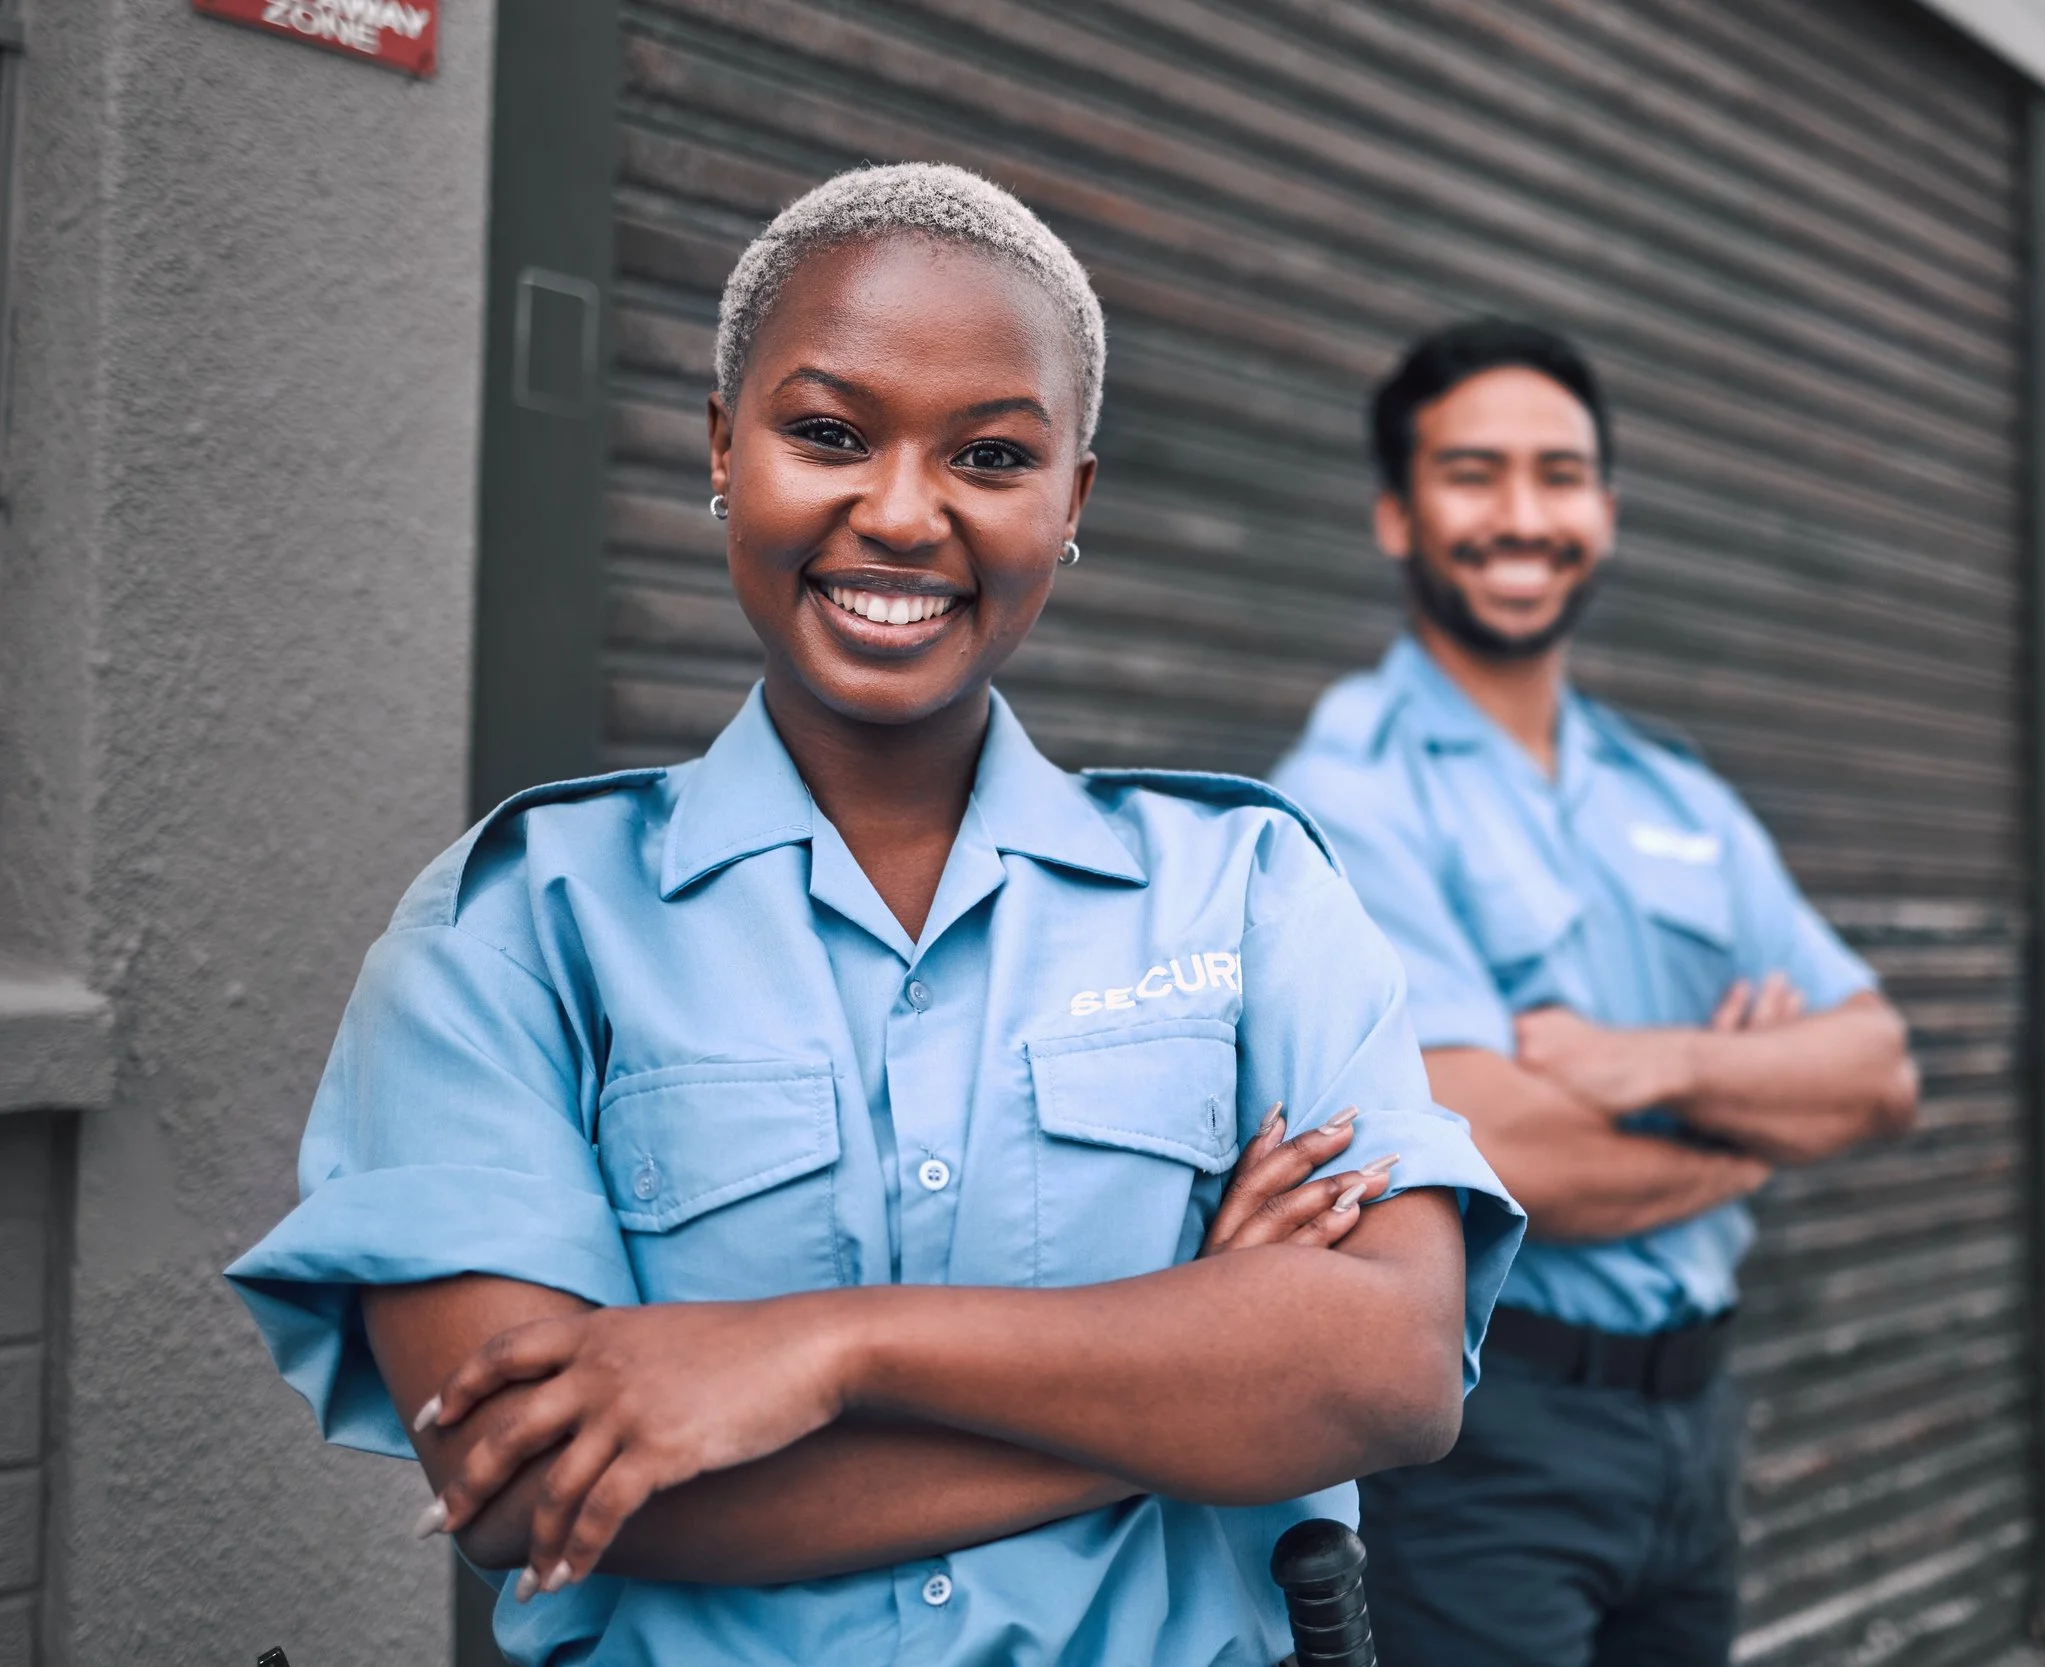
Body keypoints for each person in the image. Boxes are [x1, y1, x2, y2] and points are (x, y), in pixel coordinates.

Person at [227, 165, 1520, 1667]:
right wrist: (1203, 1369)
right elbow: (529, 1479)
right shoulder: (516, 933)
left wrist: (824, 1351)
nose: (903, 513)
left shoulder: (1249, 889)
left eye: (990, 454)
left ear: (1071, 499)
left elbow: (1396, 1370)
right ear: (724, 447)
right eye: (829, 434)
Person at [1272, 318, 1920, 1666]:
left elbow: (1878, 1071)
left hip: (1697, 1433)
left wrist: (1655, 1068)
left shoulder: (1675, 790)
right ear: (1398, 514)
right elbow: (1506, 1152)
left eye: (1560, 475)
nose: (1524, 515)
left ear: (1606, 511)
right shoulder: (1353, 791)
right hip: (1487, 1448)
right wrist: (1758, 1120)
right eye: (1475, 473)